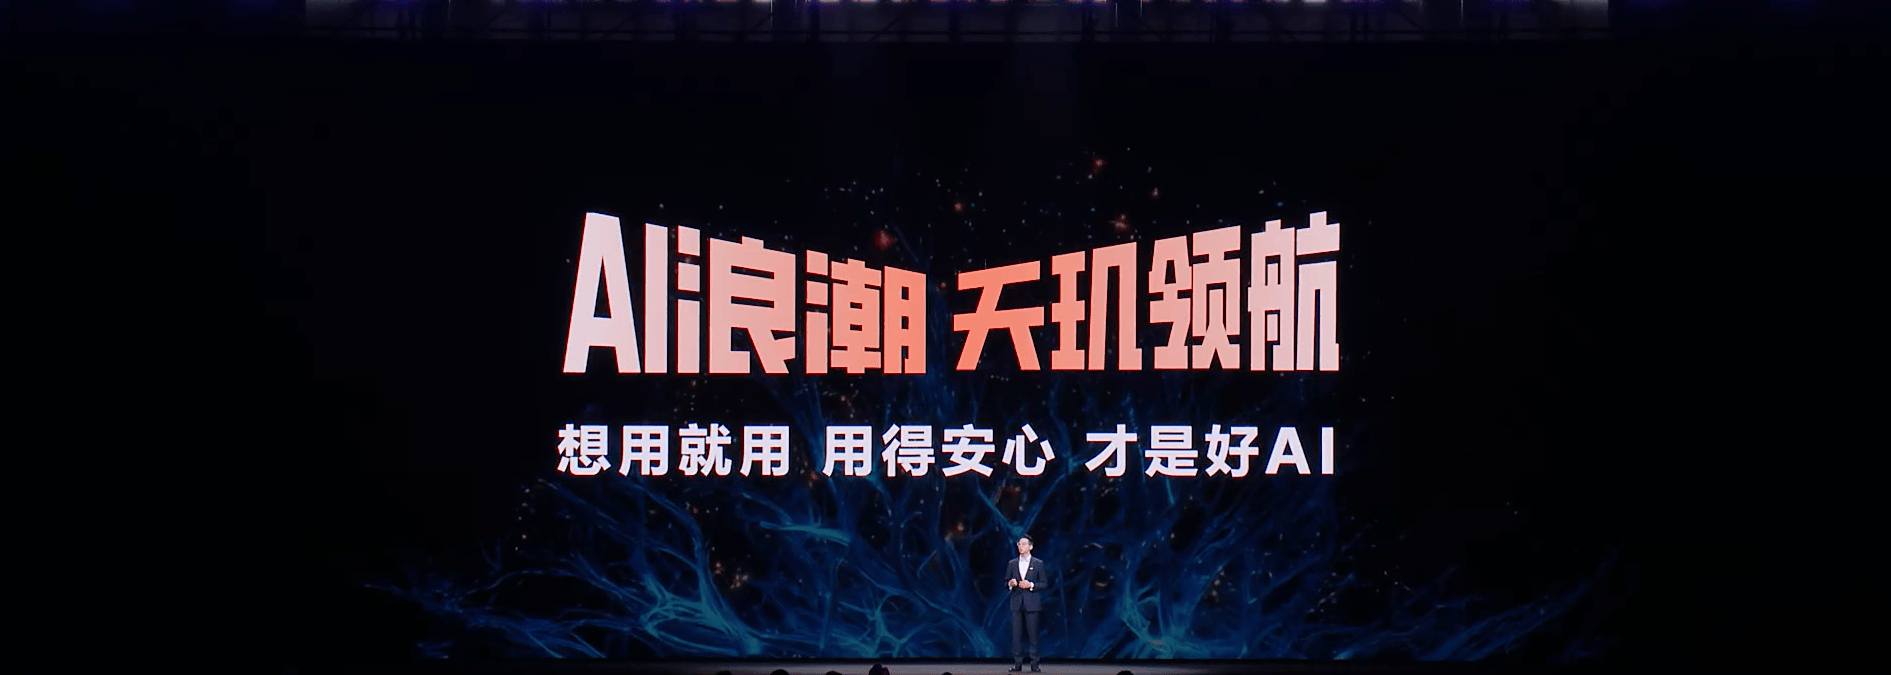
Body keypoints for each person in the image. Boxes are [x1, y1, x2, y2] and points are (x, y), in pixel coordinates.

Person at [1004, 535, 1047, 672]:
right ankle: (1017, 664)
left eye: (1023, 544)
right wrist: (1010, 583)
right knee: (1016, 636)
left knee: (1033, 636)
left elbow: (1044, 583)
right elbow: (1006, 582)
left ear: (1030, 546)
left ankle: (1034, 664)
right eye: (1019, 544)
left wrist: (1031, 584)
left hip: (1032, 604)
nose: (1020, 546)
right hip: (1016, 603)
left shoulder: (1038, 563)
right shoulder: (1012, 563)